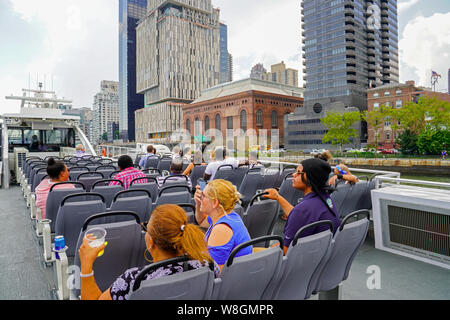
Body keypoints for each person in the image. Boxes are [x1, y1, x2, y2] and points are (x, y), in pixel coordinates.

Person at [78, 204, 220, 300]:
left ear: (151, 242)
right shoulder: (207, 264)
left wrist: (86, 266)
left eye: (146, 227)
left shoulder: (133, 279)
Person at [263, 158, 341, 255]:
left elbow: (285, 251)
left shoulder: (303, 209)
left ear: (310, 177)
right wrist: (278, 197)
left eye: (298, 173)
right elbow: (300, 215)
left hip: (296, 263)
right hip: (317, 257)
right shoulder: (326, 199)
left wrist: (263, 250)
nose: (293, 175)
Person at [194, 179, 252, 271]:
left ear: (215, 203)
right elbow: (201, 221)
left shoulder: (221, 229)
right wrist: (198, 204)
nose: (200, 198)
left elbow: (217, 273)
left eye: (203, 196)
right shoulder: (229, 215)